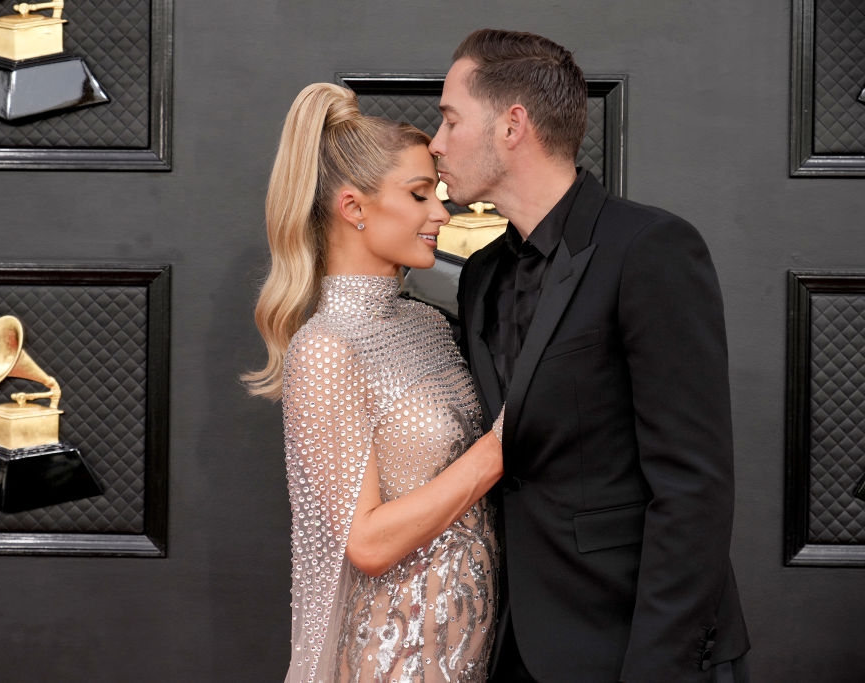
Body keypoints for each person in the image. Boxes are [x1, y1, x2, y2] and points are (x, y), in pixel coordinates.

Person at [429, 29, 751, 682]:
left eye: (450, 119)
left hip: (636, 645)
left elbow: (693, 488)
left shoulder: (651, 248)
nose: (436, 142)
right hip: (514, 644)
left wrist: (656, 667)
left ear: (512, 125)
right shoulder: (480, 274)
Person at [244, 82, 505, 682]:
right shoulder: (325, 348)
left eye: (437, 193)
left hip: (476, 648)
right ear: (354, 208)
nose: (441, 213)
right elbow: (366, 543)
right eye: (419, 194)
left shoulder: (426, 323)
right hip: (397, 657)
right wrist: (500, 446)